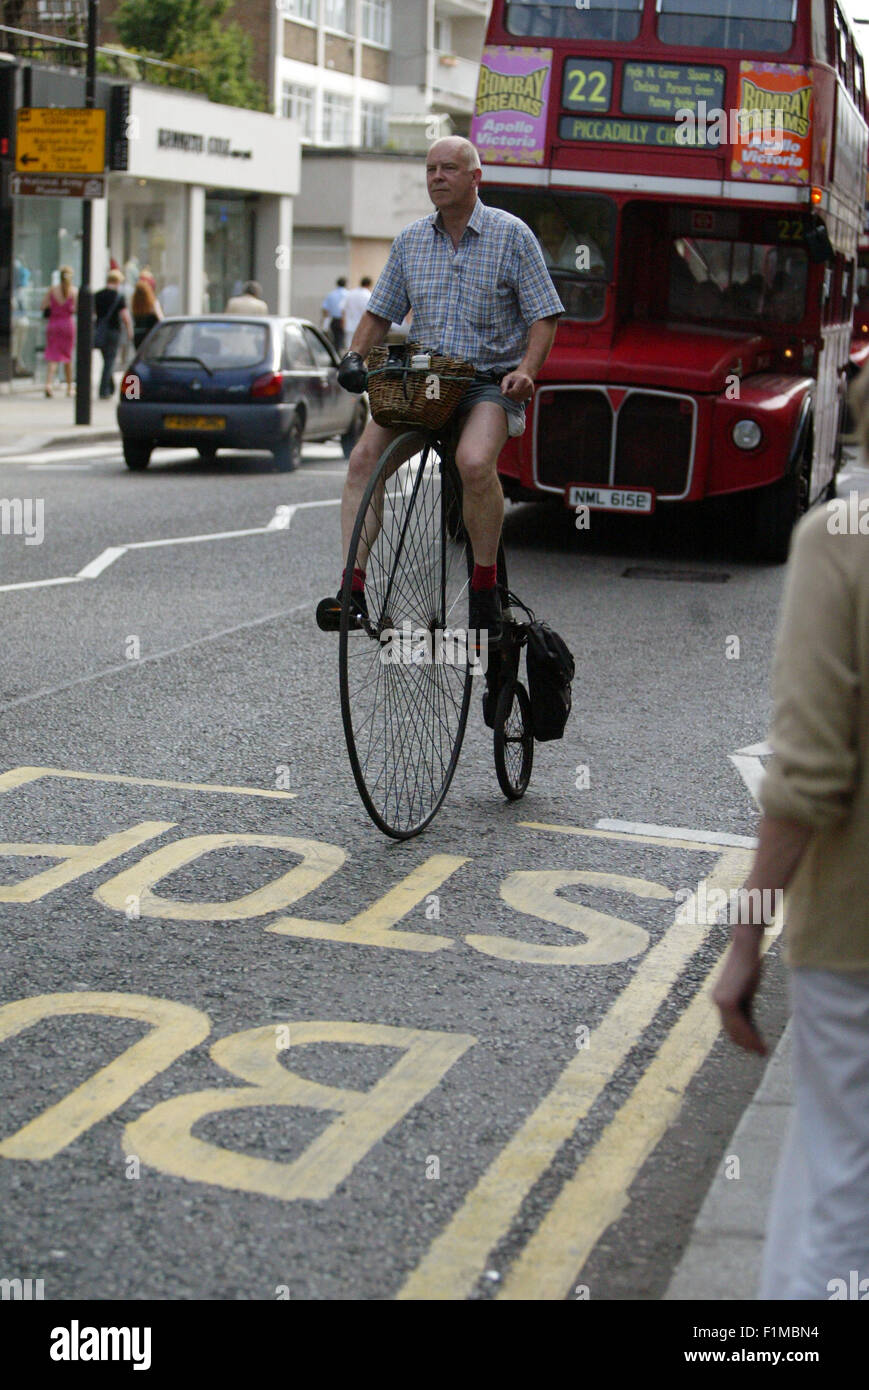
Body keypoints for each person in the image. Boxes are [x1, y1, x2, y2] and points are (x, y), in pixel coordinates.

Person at [714, 364, 869, 1299]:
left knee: (834, 1191)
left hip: (854, 936)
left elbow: (807, 778)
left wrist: (743, 941)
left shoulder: (841, 542)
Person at [315, 135, 564, 642]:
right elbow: (380, 313)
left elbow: (545, 316)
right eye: (430, 169)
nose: (436, 177)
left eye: (448, 168)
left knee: (473, 462)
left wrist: (527, 370)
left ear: (476, 178)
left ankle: (484, 591)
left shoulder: (511, 235)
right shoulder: (410, 240)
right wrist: (354, 358)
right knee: (364, 460)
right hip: (422, 385)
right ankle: (353, 589)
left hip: (485, 384)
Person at [93, 269, 133, 398]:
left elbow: (92, 314)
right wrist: (129, 330)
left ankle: (110, 387)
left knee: (107, 360)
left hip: (100, 331)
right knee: (110, 361)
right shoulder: (118, 297)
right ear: (117, 281)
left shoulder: (97, 295)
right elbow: (125, 316)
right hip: (113, 331)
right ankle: (104, 389)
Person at [42, 266, 77, 397]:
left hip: (54, 324)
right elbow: (77, 308)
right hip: (67, 325)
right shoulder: (74, 291)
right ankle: (69, 387)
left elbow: (43, 305)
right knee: (67, 356)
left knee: (53, 356)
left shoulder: (52, 290)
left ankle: (48, 384)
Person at [131, 278, 163, 349]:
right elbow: (161, 319)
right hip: (151, 335)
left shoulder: (135, 306)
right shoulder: (153, 304)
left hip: (138, 335)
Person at [322, 277, 348, 353]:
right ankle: (340, 353)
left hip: (333, 319)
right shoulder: (348, 294)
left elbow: (325, 308)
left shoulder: (331, 294)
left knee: (335, 338)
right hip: (344, 320)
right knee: (342, 339)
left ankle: (336, 352)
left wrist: (325, 321)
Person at [342, 276, 372, 343]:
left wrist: (343, 322)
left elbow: (343, 309)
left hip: (350, 325)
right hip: (362, 326)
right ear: (368, 284)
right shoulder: (368, 295)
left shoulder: (350, 293)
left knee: (349, 346)